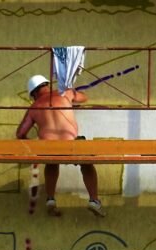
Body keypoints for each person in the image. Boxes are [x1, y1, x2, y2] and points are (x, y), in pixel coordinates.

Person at [16, 74, 105, 217]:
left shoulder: (33, 108)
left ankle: (50, 199)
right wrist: (71, 92)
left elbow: (20, 133)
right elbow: (84, 97)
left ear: (33, 94)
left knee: (51, 163)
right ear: (47, 85)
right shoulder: (64, 93)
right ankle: (94, 200)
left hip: (49, 147)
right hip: (71, 144)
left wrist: (30, 144)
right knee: (87, 163)